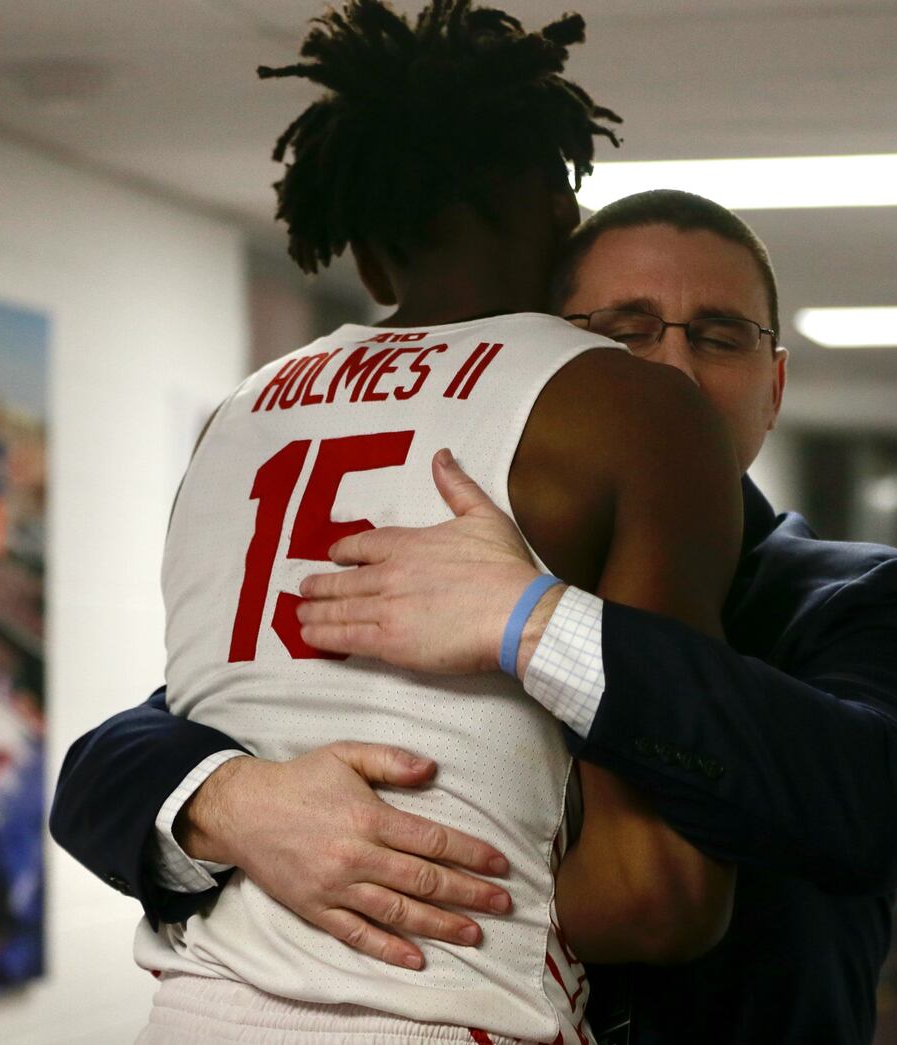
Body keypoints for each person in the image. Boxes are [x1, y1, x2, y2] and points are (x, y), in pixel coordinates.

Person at [52, 203, 897, 1045]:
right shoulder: (439, 560)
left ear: (775, 384)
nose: (672, 369)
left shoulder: (859, 594)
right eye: (623, 333)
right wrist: (230, 801)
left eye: (720, 337)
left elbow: (882, 808)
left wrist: (538, 625)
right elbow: (114, 758)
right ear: (549, 360)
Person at [99, 4, 747, 1041]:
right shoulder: (628, 406)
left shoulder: (234, 418)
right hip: (449, 1006)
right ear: (555, 199)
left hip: (193, 1010)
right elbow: (654, 896)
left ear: (363, 245)